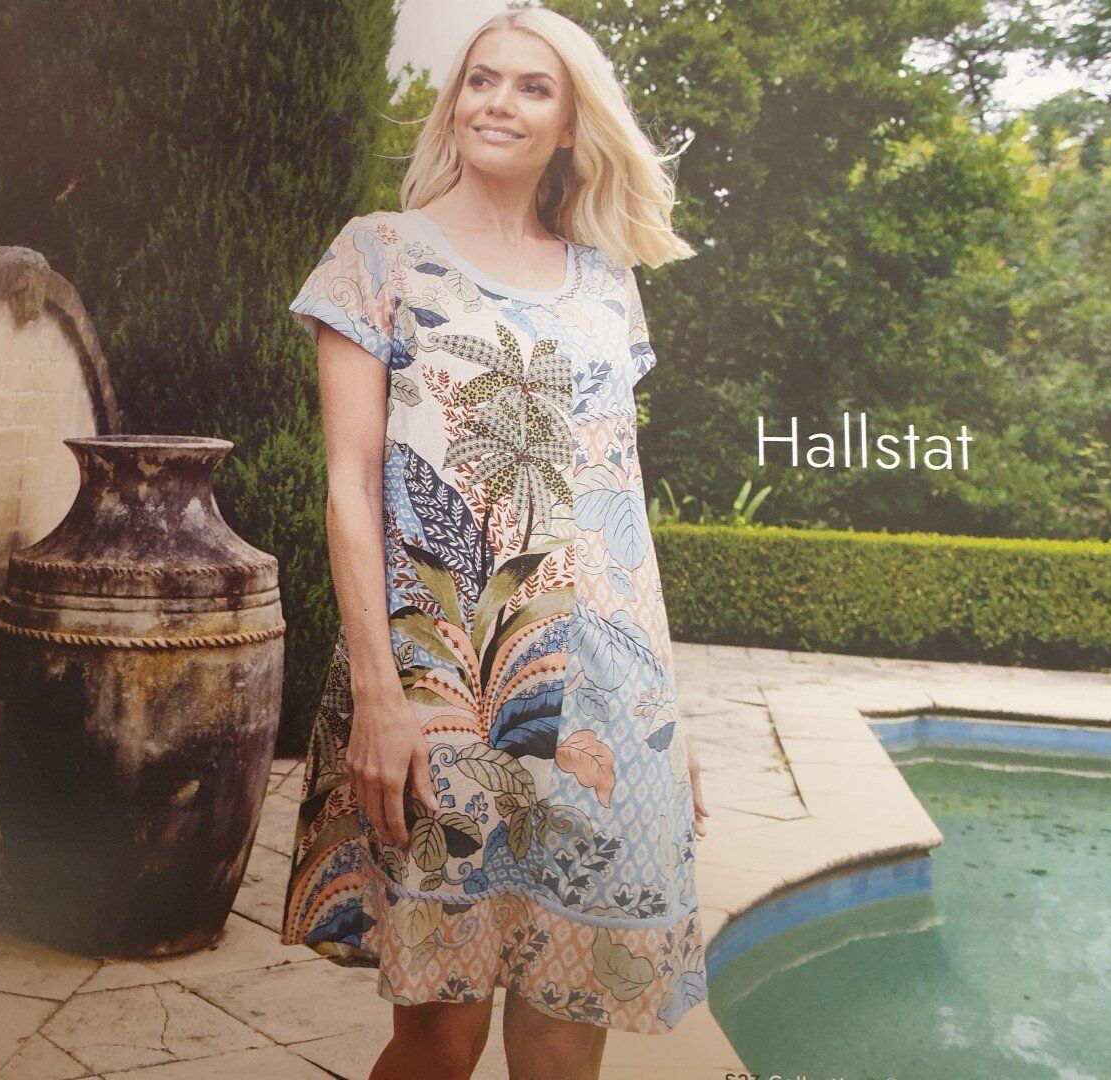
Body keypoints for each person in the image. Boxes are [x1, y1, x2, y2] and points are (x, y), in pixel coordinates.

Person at [281, 7, 710, 1078]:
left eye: (531, 87)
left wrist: (675, 717)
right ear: (455, 101)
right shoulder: (380, 253)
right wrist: (377, 695)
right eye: (481, 80)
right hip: (447, 690)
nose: (497, 103)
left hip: (614, 706)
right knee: (441, 1037)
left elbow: (620, 506)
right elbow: (351, 489)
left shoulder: (608, 281)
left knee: (567, 1033)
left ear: (571, 124)